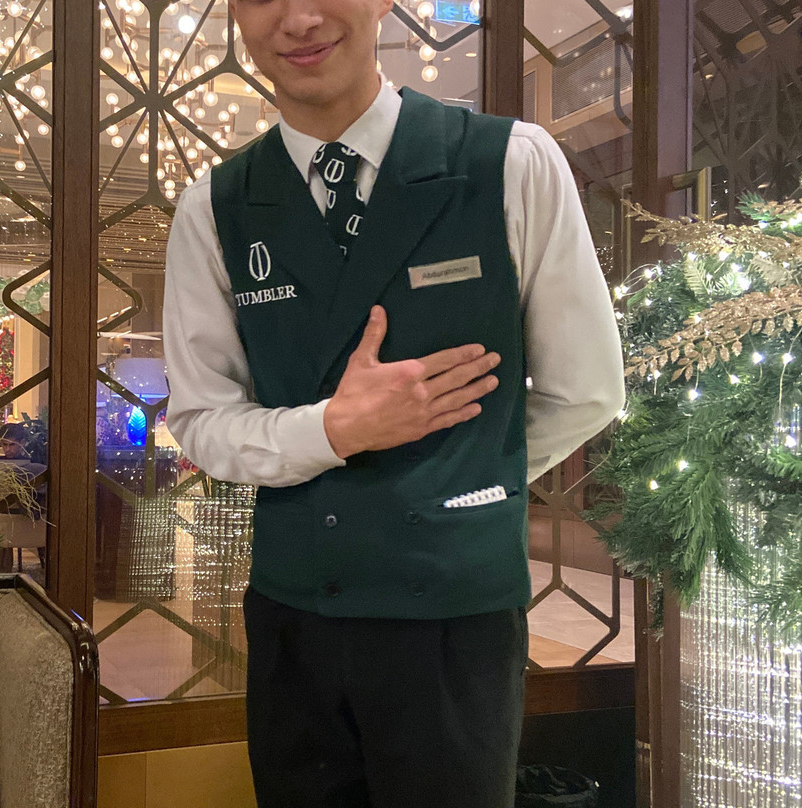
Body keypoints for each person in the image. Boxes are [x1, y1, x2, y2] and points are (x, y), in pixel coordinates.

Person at [162, 0, 625, 805]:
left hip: (455, 621)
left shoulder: (510, 162)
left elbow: (585, 389)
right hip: (293, 619)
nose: (298, 18)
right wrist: (335, 429)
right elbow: (201, 419)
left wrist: (463, 485)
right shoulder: (215, 206)